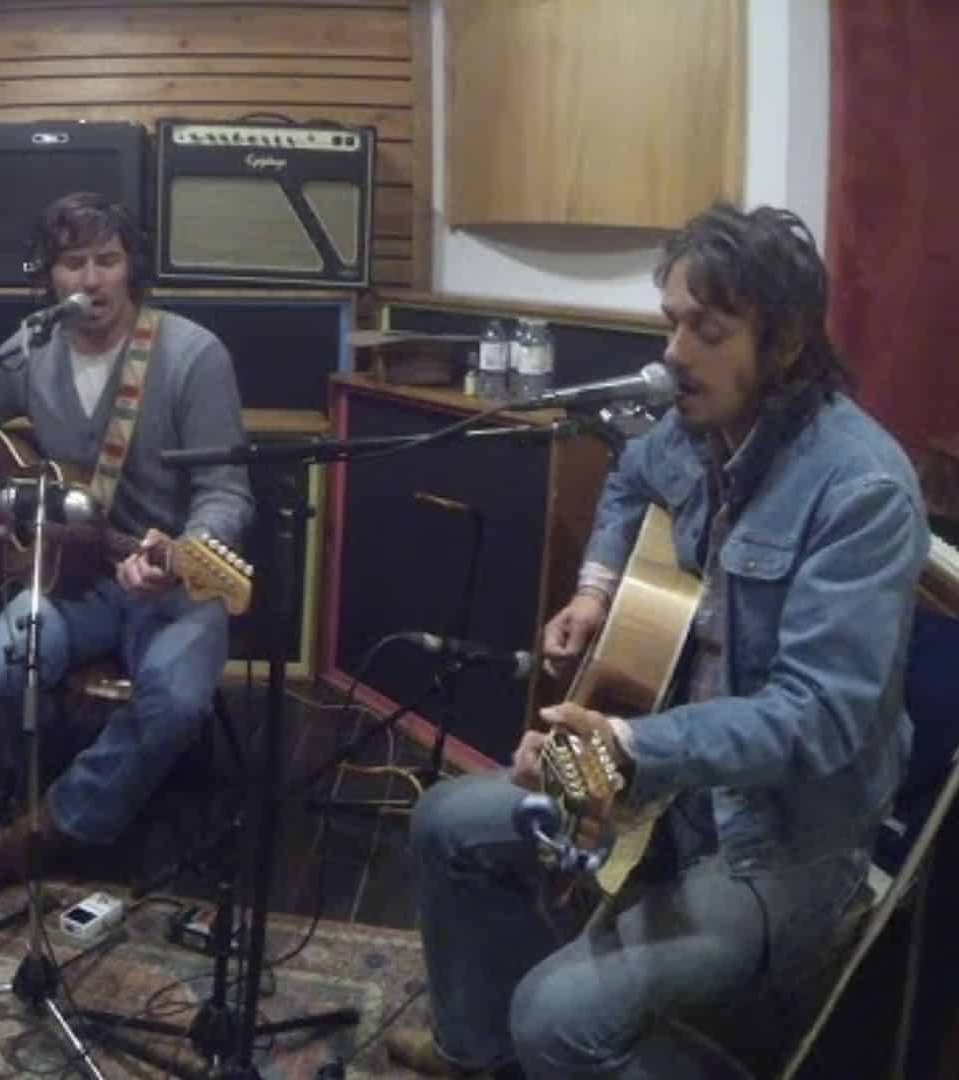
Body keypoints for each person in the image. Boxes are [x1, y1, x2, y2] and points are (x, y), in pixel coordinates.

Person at [384, 203, 929, 1077]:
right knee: (446, 823)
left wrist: (629, 747)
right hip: (661, 788)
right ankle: (474, 1051)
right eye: (672, 322)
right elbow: (630, 479)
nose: (675, 352)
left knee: (555, 1018)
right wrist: (596, 589)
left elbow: (822, 716)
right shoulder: (689, 427)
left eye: (707, 331)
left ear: (786, 342)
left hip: (777, 846)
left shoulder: (861, 490)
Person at [0, 191, 253, 907]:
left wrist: (185, 548)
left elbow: (227, 492)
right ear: (48, 275)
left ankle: (48, 832)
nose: (91, 279)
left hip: (174, 580)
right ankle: (77, 784)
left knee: (175, 702)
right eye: (73, 263)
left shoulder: (193, 355)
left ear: (131, 266)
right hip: (72, 578)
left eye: (107, 260)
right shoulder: (34, 346)